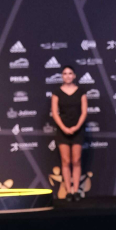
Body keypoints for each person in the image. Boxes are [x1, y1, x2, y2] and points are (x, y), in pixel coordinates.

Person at [50, 65, 88, 201]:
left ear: (74, 76)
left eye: (70, 73)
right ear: (62, 76)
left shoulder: (81, 91)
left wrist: (76, 127)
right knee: (65, 161)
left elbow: (84, 112)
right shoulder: (57, 92)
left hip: (78, 129)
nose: (67, 76)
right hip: (62, 130)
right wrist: (64, 128)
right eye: (65, 73)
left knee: (76, 160)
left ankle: (76, 190)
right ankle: (68, 191)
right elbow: (55, 112)